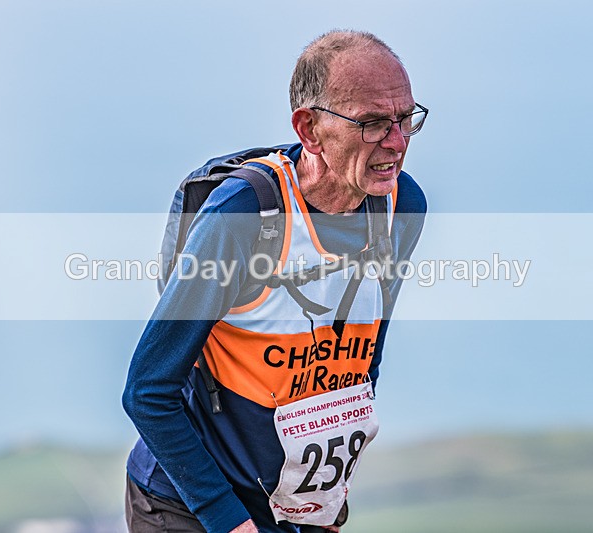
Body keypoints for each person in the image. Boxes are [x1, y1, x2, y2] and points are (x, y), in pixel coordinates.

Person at [123, 30, 427, 533]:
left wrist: (328, 500)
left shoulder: (402, 206)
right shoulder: (242, 215)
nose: (396, 143)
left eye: (406, 119)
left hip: (288, 509)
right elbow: (147, 391)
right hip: (186, 504)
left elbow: (359, 360)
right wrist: (228, 521)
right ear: (309, 130)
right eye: (373, 124)